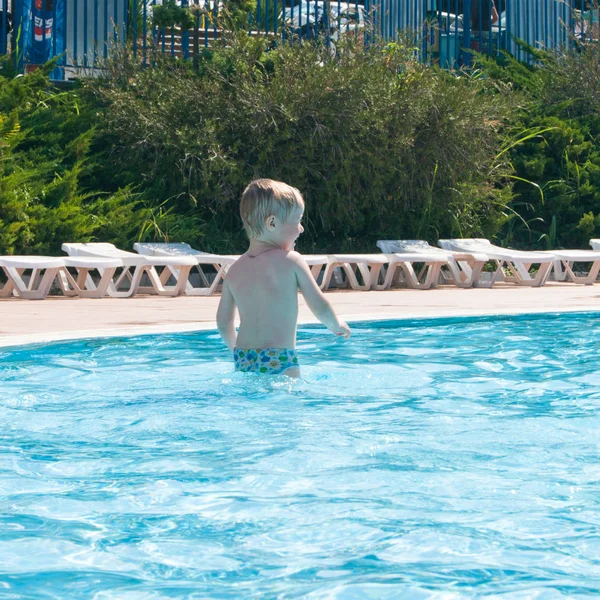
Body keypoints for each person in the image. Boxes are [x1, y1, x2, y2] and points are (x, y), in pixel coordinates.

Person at [217, 178, 351, 377]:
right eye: (297, 221)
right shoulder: (291, 261)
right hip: (279, 358)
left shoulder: (234, 270)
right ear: (272, 223)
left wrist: (235, 349)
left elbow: (223, 321)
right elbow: (318, 304)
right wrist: (337, 324)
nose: (301, 228)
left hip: (244, 358)